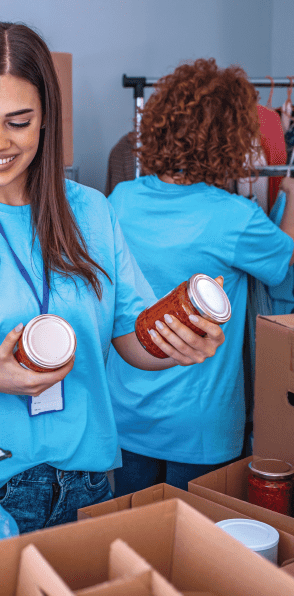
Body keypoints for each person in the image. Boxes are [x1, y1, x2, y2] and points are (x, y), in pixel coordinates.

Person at [0, 22, 225, 535]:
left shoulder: (94, 215)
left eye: (18, 121)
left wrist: (177, 341)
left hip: (90, 481)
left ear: (46, 121)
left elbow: (131, 341)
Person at [106, 59, 294, 496]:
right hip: (201, 423)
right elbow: (285, 262)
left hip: (127, 411)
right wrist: (290, 196)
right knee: (194, 552)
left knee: (131, 540)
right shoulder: (235, 217)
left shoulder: (120, 200)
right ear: (231, 140)